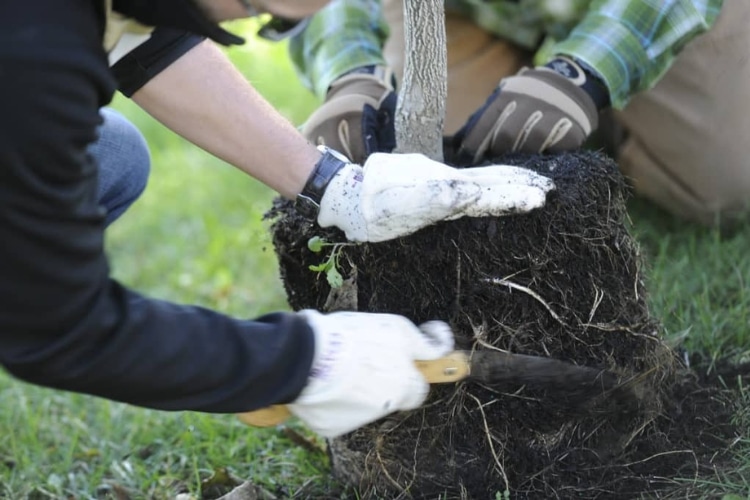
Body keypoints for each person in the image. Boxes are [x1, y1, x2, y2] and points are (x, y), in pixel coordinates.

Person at [0, 0, 554, 439]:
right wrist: (299, 362)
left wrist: (334, 186)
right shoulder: (33, 51)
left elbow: (144, 38)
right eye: (258, 12)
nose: (262, 19)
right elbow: (55, 326)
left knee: (113, 155)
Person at [292, 0, 750, 227]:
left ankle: (613, 104)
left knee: (724, 179)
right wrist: (348, 72)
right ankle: (556, 102)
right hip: (470, 11)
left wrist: (584, 76)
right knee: (432, 170)